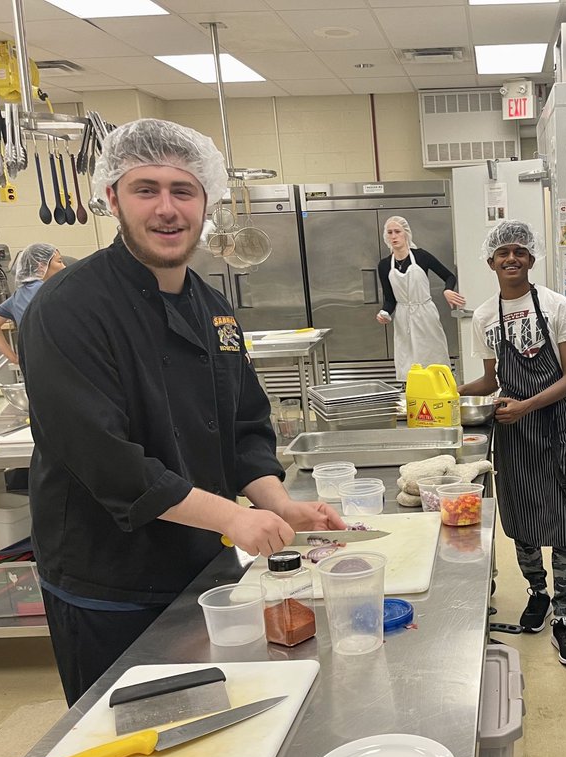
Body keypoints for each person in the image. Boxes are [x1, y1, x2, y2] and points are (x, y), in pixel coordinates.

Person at [19, 119, 343, 706]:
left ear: (206, 202)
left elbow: (244, 423)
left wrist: (279, 504)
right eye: (147, 189)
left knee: (203, 723)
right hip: (111, 579)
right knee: (131, 740)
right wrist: (233, 519)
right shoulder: (68, 308)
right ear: (112, 198)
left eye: (183, 190)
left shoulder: (211, 306)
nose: (167, 208)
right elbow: (105, 459)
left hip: (201, 569)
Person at [458, 221, 566, 668]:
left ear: (531, 258)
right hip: (510, 433)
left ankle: (565, 615)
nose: (511, 258)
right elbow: (492, 380)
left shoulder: (556, 306)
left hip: (551, 428)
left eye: (519, 252)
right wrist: (447, 389)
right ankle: (538, 592)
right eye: (502, 253)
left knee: (563, 519)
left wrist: (529, 405)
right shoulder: (483, 316)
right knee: (520, 518)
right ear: (490, 261)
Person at [375, 215, 466, 381]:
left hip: (426, 315)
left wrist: (447, 290)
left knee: (434, 358)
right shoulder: (384, 265)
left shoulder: (421, 256)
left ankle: (440, 393)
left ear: (406, 234)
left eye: (397, 231)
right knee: (409, 364)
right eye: (390, 232)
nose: (393, 236)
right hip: (403, 319)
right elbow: (390, 299)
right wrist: (384, 313)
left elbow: (449, 276)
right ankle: (414, 397)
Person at [0, 243, 65, 364]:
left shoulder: (17, 295)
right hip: (58, 363)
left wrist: (14, 358)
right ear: (41, 266)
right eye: (59, 261)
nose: (64, 267)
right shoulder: (50, 291)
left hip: (33, 365)